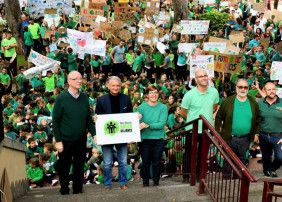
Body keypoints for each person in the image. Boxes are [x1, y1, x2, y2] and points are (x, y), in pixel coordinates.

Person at [52, 71, 96, 195]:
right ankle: (64, 189)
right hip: (65, 140)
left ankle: (78, 189)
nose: (79, 81)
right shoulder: (61, 98)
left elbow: (88, 118)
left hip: (81, 139)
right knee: (64, 166)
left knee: (79, 166)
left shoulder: (84, 97)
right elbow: (55, 120)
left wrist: (94, 135)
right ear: (69, 81)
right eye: (76, 78)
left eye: (81, 78)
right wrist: (58, 141)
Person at [95, 76, 133, 190]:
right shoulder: (101, 100)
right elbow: (98, 118)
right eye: (113, 86)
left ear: (120, 86)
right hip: (107, 135)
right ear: (108, 86)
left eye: (118, 85)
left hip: (122, 135)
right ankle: (107, 184)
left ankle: (123, 182)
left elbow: (130, 117)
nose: (116, 88)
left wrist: (131, 133)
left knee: (122, 161)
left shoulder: (126, 99)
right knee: (107, 162)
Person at [180, 69, 219, 180]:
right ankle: (187, 175)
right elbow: (183, 112)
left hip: (206, 129)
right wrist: (193, 121)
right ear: (196, 80)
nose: (203, 78)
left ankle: (199, 175)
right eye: (200, 76)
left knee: (203, 154)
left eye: (205, 75)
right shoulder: (189, 95)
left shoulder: (214, 92)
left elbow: (214, 107)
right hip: (192, 129)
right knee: (189, 153)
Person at [215, 79, 261, 167]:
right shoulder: (228, 102)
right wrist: (218, 133)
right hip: (230, 138)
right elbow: (218, 118)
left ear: (248, 88)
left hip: (246, 138)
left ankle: (239, 179)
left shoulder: (253, 102)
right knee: (227, 160)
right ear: (236, 88)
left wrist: (256, 133)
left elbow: (258, 119)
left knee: (242, 162)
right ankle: (227, 178)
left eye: (245, 87)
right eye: (240, 87)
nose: (243, 89)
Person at [137, 85, 168, 187]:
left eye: (155, 92)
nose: (153, 95)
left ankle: (156, 182)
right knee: (145, 162)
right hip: (145, 139)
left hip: (158, 139)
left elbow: (161, 124)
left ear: (158, 94)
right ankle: (145, 182)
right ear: (147, 95)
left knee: (156, 162)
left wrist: (148, 125)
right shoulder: (141, 107)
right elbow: (138, 124)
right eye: (151, 93)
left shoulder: (163, 107)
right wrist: (138, 121)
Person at [257, 82, 282, 178]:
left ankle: (272, 169)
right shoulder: (259, 103)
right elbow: (256, 119)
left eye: (273, 89)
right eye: (269, 89)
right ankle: (266, 172)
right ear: (264, 91)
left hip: (278, 136)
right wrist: (256, 134)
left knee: (280, 157)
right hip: (263, 135)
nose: (272, 91)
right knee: (266, 157)